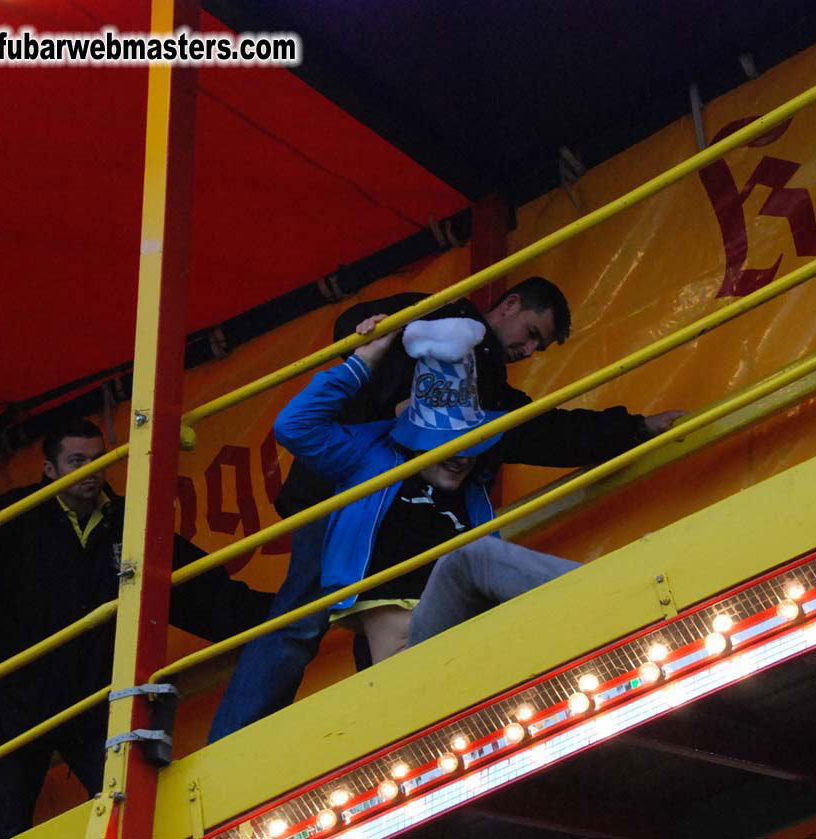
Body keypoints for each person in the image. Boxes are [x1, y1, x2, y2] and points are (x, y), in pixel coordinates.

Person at [211, 278, 682, 742]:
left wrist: (634, 428)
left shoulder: (492, 394)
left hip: (396, 527)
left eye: (539, 347)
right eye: (532, 334)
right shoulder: (434, 313)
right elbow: (354, 327)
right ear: (510, 304)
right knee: (301, 620)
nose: (529, 351)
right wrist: (378, 364)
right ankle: (235, 741)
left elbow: (547, 431)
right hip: (349, 495)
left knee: (368, 619)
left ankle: (382, 737)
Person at [0, 419, 274, 839]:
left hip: (95, 699)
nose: (89, 471)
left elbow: (196, 589)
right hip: (18, 703)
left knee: (136, 808)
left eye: (97, 460)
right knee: (8, 827)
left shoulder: (128, 522)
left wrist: (285, 612)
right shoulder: (14, 517)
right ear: (49, 469)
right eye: (76, 461)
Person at [273, 315, 577, 665]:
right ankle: (603, 590)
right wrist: (365, 361)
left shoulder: (473, 491)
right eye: (447, 444)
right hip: (410, 656)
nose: (462, 457)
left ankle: (606, 598)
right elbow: (293, 426)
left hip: (479, 646)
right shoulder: (370, 456)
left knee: (477, 561)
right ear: (416, 435)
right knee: (471, 556)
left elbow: (557, 434)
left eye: (472, 444)